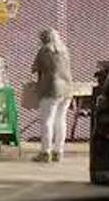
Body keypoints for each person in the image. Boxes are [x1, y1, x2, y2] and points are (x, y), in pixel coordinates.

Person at [32, 28, 73, 163]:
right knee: (61, 120)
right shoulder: (64, 50)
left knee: (47, 121)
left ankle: (45, 151)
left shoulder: (45, 50)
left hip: (51, 88)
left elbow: (35, 69)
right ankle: (58, 151)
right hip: (67, 88)